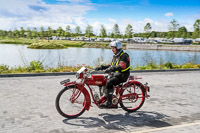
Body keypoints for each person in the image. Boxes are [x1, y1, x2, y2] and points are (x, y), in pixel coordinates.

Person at [95, 41, 130, 108]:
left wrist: (110, 69)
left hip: (122, 75)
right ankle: (104, 97)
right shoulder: (115, 56)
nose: (112, 49)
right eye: (112, 48)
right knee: (101, 80)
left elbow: (121, 66)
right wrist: (102, 67)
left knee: (109, 82)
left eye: (113, 48)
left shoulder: (124, 56)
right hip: (116, 74)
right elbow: (111, 65)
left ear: (118, 48)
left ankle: (109, 102)